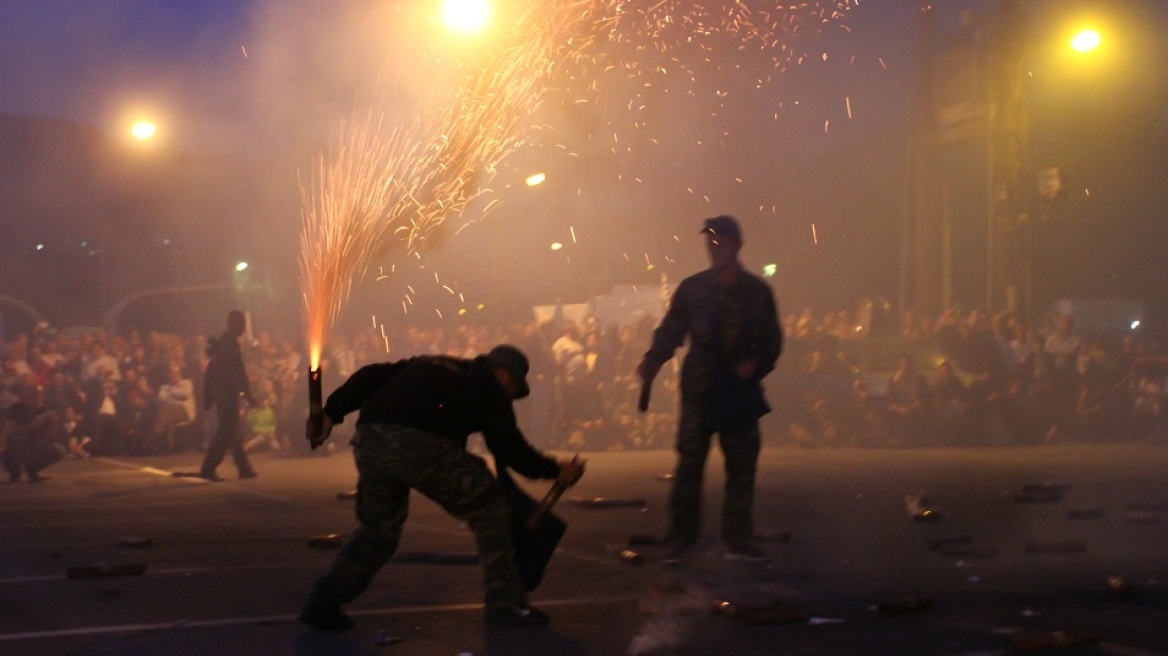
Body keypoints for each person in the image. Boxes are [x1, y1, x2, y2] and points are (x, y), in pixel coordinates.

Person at [299, 344, 586, 631]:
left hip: (369, 440)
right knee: (490, 506)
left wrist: (330, 413)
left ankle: (324, 601)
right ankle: (506, 602)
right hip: (418, 442)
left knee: (378, 531)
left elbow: (370, 376)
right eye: (513, 389)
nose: (511, 396)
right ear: (504, 374)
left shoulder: (433, 364)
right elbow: (509, 447)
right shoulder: (490, 385)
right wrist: (557, 470)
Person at [637, 215, 783, 563]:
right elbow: (672, 328)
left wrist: (757, 365)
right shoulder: (693, 288)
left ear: (737, 244)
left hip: (740, 392)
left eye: (722, 243)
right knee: (689, 466)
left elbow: (772, 341)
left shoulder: (757, 291)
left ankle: (737, 538)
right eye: (711, 244)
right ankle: (682, 535)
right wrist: (654, 359)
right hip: (701, 390)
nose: (715, 250)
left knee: (742, 468)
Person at [198, 310, 257, 481]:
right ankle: (208, 468)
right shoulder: (230, 344)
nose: (243, 329)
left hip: (222, 394)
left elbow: (211, 370)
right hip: (226, 395)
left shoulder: (222, 343)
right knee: (226, 431)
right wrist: (248, 395)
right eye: (242, 325)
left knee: (233, 430)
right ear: (235, 324)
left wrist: (208, 396)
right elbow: (237, 372)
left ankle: (243, 467)